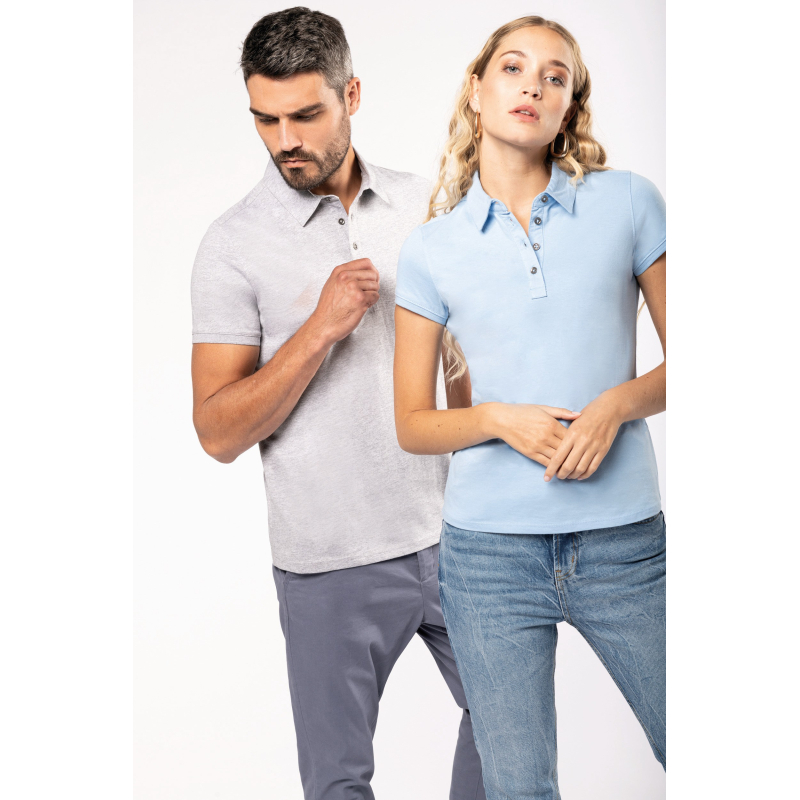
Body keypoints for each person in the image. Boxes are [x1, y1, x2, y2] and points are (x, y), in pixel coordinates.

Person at [190, 7, 485, 800]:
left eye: (306, 115)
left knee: (511, 729)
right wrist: (317, 330)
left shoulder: (429, 206)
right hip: (327, 563)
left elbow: (468, 358)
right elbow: (217, 432)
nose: (285, 139)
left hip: (461, 538)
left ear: (351, 94)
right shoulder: (232, 245)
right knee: (338, 785)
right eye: (266, 119)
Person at [393, 15, 666, 799]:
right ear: (477, 91)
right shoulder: (432, 249)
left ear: (569, 104)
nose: (533, 86)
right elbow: (413, 423)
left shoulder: (629, 204)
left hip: (623, 543)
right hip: (488, 561)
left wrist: (615, 405)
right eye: (513, 68)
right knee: (518, 789)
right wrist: (496, 418)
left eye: (555, 75)